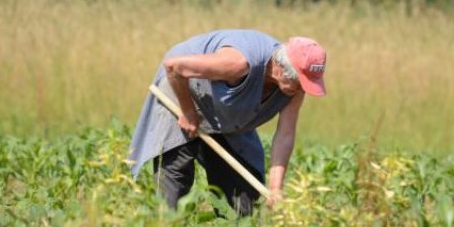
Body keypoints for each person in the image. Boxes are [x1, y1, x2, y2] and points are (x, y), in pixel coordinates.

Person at [129, 29, 327, 215]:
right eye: (299, 81)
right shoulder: (239, 63)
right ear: (281, 67)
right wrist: (188, 111)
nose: (302, 88)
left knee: (244, 199)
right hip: (183, 91)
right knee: (173, 188)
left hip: (228, 113)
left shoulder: (294, 89)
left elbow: (285, 134)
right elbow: (175, 67)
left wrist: (276, 188)